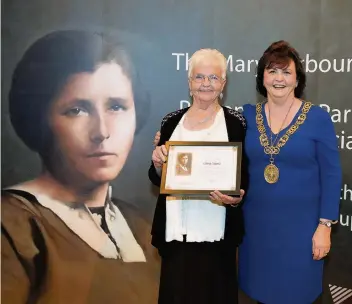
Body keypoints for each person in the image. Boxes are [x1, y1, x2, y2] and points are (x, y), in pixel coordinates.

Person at [152, 41, 342, 304]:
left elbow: (332, 175)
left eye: (286, 72)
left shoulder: (318, 118)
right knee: (259, 294)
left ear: (297, 78)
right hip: (256, 230)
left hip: (301, 230)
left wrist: (324, 225)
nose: (278, 79)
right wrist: (165, 154)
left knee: (300, 295)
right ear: (262, 77)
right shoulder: (247, 118)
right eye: (272, 71)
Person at [1, 30, 159, 304]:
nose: (102, 131)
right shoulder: (12, 227)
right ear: (41, 120)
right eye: (77, 110)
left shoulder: (142, 227)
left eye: (117, 107)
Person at [148, 48, 248, 304]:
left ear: (223, 83)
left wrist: (235, 198)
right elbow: (157, 177)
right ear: (189, 82)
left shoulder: (236, 123)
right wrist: (158, 162)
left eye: (213, 78)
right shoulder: (171, 122)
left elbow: (243, 176)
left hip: (218, 235)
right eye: (199, 77)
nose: (206, 84)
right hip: (177, 233)